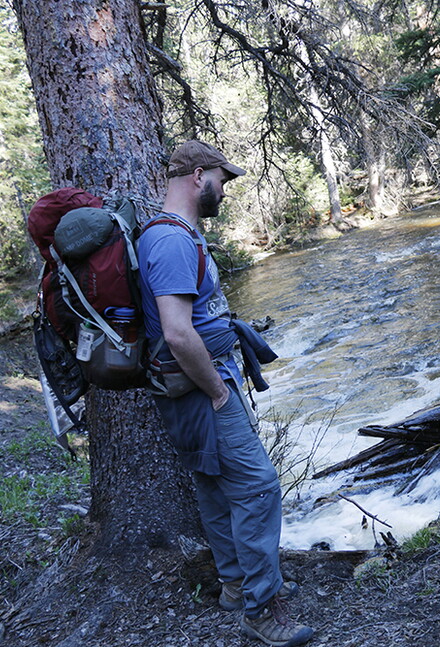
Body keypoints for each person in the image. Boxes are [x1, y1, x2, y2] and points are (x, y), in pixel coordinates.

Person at [137, 140, 314, 647]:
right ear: (197, 176)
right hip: (200, 384)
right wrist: (217, 390)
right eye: (222, 178)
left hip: (187, 386)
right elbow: (176, 331)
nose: (225, 189)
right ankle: (263, 610)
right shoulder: (171, 241)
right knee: (258, 488)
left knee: (215, 488)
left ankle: (237, 585)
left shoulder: (175, 234)